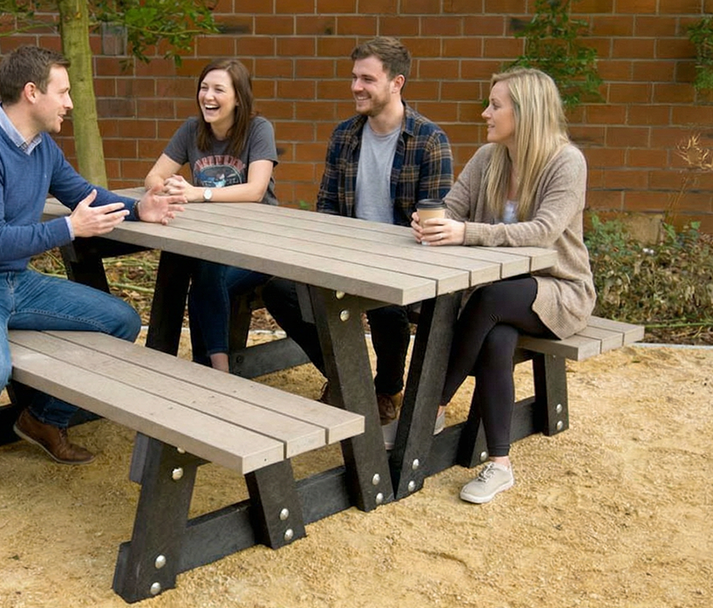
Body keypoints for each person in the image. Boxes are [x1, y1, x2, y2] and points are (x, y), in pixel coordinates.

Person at [0, 45, 185, 503]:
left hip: (14, 282)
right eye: (62, 92)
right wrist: (69, 228)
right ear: (31, 92)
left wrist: (141, 208)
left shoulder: (41, 147)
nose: (69, 103)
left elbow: (83, 193)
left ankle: (41, 419)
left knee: (120, 320)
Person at [411, 68, 596, 504]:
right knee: (497, 337)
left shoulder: (566, 162)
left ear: (526, 112)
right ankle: (499, 465)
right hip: (500, 299)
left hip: (560, 291)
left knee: (491, 301)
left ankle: (434, 406)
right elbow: (452, 208)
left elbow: (544, 231)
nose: (485, 113)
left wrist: (465, 232)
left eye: (495, 105)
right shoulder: (490, 157)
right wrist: (428, 221)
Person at [261, 37, 452, 445]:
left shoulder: (429, 141)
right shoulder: (344, 136)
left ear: (396, 82)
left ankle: (385, 390)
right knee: (278, 290)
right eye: (354, 77)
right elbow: (327, 208)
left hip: (404, 265)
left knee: (385, 306)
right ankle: (348, 377)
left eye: (368, 79)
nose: (356, 87)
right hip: (345, 257)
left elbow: (433, 225)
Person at [144, 59, 278, 372]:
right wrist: (169, 187)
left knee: (206, 278)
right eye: (204, 87)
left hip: (259, 246)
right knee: (202, 269)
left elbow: (255, 190)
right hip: (211, 241)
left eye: (219, 89)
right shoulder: (192, 129)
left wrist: (197, 193)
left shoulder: (259, 129)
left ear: (238, 98)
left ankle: (216, 370)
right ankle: (216, 370)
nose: (208, 96)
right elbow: (154, 176)